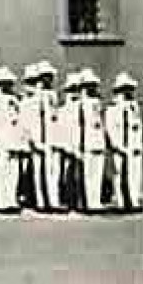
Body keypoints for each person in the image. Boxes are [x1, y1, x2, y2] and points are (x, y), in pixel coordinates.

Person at [20, 62, 62, 212]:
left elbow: (55, 116)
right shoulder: (33, 97)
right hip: (38, 136)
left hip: (53, 136)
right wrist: (34, 139)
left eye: (50, 77)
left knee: (53, 171)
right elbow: (30, 119)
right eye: (46, 76)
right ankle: (41, 201)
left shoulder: (52, 95)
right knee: (38, 170)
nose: (49, 79)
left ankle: (53, 201)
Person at [0, 66, 25, 214]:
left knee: (13, 172)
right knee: (2, 171)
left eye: (9, 83)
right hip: (1, 141)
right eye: (4, 83)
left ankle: (11, 200)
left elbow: (19, 121)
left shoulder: (15, 101)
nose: (7, 86)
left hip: (14, 141)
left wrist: (21, 139)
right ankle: (1, 202)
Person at [104, 74, 143, 213]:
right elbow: (110, 128)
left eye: (130, 88)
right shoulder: (113, 108)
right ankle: (121, 202)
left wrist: (137, 145)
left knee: (134, 174)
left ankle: (133, 200)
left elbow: (138, 127)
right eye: (125, 88)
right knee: (118, 175)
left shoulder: (134, 107)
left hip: (133, 146)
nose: (129, 91)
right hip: (119, 146)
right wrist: (117, 145)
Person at [54, 73, 85, 212]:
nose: (75, 93)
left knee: (81, 175)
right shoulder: (63, 110)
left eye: (77, 89)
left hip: (82, 146)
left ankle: (80, 201)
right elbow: (61, 131)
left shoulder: (84, 108)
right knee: (67, 174)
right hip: (67, 146)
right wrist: (68, 147)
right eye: (72, 89)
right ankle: (68, 199)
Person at [78, 69, 108, 213]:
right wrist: (79, 144)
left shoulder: (97, 102)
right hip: (88, 142)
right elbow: (80, 126)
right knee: (89, 174)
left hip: (98, 141)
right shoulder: (81, 104)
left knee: (98, 174)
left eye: (94, 85)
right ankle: (90, 203)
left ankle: (96, 201)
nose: (92, 88)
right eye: (89, 85)